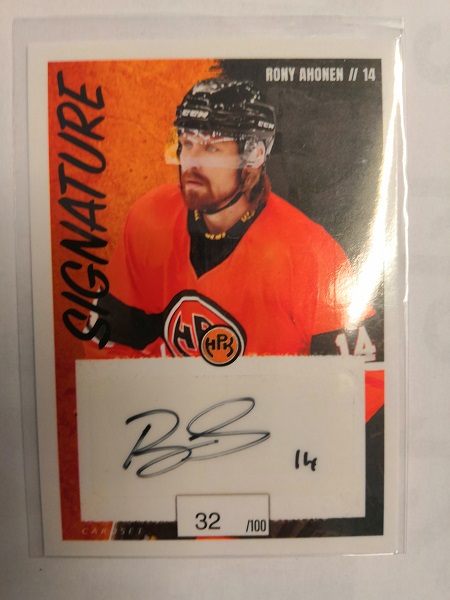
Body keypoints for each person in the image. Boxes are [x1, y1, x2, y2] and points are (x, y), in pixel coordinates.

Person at [87, 78, 375, 362]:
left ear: (254, 155)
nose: (191, 161)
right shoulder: (151, 217)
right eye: (187, 143)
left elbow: (363, 380)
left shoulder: (311, 254)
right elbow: (107, 348)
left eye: (210, 147)